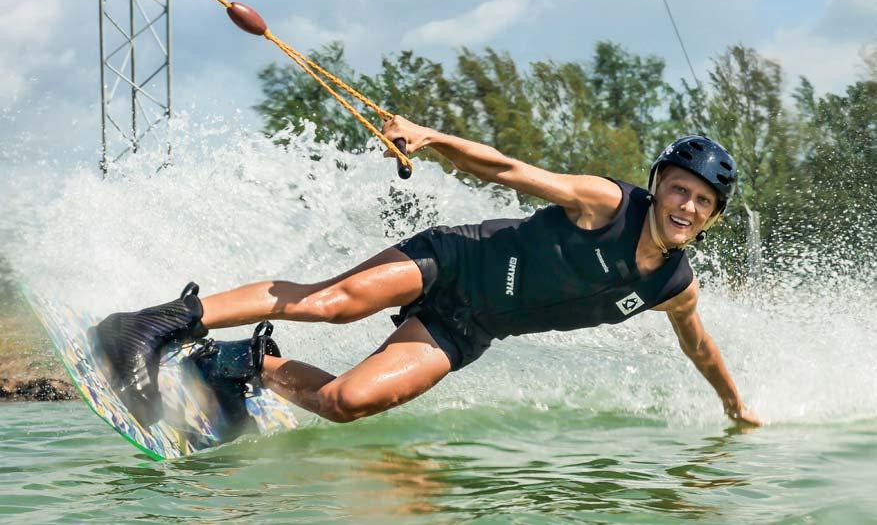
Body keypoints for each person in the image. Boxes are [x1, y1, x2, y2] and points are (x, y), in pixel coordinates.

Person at [94, 115, 762, 429]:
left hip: (467, 327)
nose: (685, 205)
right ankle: (152, 323)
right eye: (679, 188)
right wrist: (433, 139)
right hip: (455, 260)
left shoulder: (672, 285)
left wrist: (735, 408)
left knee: (344, 404)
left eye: (701, 201)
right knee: (332, 303)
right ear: (659, 185)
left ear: (709, 218)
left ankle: (243, 365)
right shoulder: (606, 203)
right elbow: (508, 169)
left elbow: (698, 345)